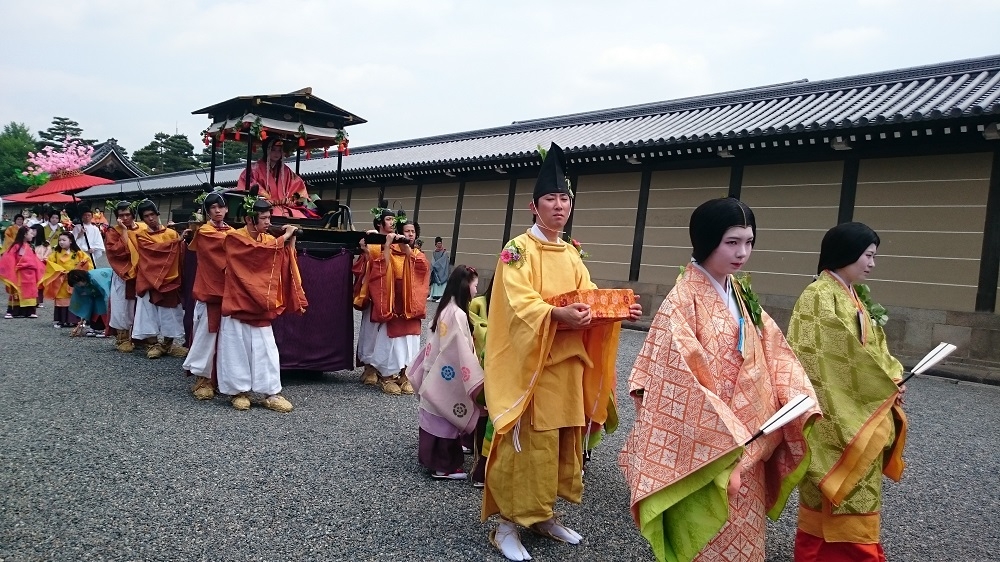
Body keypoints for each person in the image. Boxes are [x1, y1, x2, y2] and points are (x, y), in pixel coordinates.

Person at [619, 197, 820, 562]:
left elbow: (775, 352)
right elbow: (675, 383)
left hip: (754, 441)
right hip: (709, 447)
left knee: (745, 537)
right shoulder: (682, 300)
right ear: (707, 239)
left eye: (749, 242)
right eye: (732, 242)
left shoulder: (741, 294)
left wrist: (797, 397)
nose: (742, 253)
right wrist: (728, 446)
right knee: (710, 540)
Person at [481, 143, 641, 562]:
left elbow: (588, 298)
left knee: (562, 444)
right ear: (533, 206)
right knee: (528, 446)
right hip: (535, 367)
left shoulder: (571, 252)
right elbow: (517, 303)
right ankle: (507, 525)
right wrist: (557, 314)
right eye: (550, 198)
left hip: (568, 366)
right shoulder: (518, 251)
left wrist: (616, 311)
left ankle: (544, 514)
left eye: (565, 198)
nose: (558, 205)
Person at [787, 222, 907, 562]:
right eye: (868, 255)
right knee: (840, 490)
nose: (872, 263)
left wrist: (893, 378)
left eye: (874, 256)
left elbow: (871, 351)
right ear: (846, 253)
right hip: (836, 415)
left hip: (862, 407)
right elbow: (823, 361)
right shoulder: (818, 297)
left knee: (857, 491)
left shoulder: (849, 294)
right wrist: (881, 387)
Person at [217, 198, 306, 412]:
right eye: (264, 218)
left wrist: (289, 242)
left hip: (260, 304)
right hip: (239, 299)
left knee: (266, 349)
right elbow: (255, 254)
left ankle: (271, 392)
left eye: (269, 217)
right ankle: (238, 391)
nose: (268, 222)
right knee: (235, 348)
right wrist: (283, 237)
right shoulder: (234, 237)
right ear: (249, 218)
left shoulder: (268, 238)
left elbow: (278, 258)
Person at [410, 265, 484, 480]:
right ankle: (444, 466)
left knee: (434, 416)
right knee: (447, 416)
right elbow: (460, 348)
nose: (476, 291)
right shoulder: (458, 313)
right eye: (475, 286)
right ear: (465, 286)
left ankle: (433, 460)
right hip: (447, 371)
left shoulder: (445, 308)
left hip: (435, 369)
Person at [356, 211, 430, 395]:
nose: (410, 235)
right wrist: (384, 247)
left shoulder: (417, 254)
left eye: (413, 231)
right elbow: (380, 268)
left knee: (410, 340)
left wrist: (406, 249)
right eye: (407, 231)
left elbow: (421, 269)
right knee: (385, 338)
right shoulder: (382, 247)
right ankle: (383, 373)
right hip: (388, 299)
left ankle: (406, 375)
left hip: (409, 303)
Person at [182, 191, 232, 401]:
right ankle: (202, 379)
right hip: (209, 288)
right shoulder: (205, 232)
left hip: (228, 292)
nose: (217, 210)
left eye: (220, 207)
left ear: (227, 209)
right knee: (205, 335)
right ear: (207, 211)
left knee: (228, 338)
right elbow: (220, 255)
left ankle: (221, 379)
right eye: (212, 208)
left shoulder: (233, 232)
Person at [132, 200, 188, 359]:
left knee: (170, 312)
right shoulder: (141, 236)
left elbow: (181, 255)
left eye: (152, 215)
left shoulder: (171, 233)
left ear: (158, 214)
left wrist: (181, 242)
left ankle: (167, 345)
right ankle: (153, 344)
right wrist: (176, 243)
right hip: (149, 279)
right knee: (148, 313)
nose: (150, 218)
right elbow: (151, 253)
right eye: (146, 216)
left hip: (170, 279)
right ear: (143, 219)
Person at [104, 201, 147, 352]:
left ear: (133, 215)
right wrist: (123, 231)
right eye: (121, 215)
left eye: (128, 214)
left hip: (142, 273)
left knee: (142, 305)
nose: (125, 218)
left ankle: (141, 336)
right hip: (123, 273)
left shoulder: (143, 228)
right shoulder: (113, 231)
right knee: (121, 304)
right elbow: (116, 252)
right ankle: (122, 337)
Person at [236, 138, 310, 218]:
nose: (277, 153)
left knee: (302, 218)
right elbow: (248, 187)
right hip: (263, 208)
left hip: (285, 207)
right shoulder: (254, 170)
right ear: (266, 150)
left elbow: (298, 186)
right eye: (273, 150)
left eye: (279, 150)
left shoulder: (286, 170)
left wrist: (292, 200)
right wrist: (265, 200)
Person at [40, 232, 92, 327]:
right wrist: (59, 271)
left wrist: (83, 265)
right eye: (60, 240)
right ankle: (62, 320)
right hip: (61, 280)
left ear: (71, 241)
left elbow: (87, 262)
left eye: (64, 240)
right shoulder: (56, 254)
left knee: (74, 299)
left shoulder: (78, 253)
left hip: (74, 280)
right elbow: (50, 264)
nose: (61, 242)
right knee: (62, 300)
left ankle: (76, 320)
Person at [0, 226, 46, 319]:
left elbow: (34, 259)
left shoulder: (30, 246)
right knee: (17, 291)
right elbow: (8, 259)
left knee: (31, 291)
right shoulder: (16, 246)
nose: (32, 235)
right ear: (25, 234)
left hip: (31, 274)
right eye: (30, 233)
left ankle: (30, 311)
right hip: (19, 273)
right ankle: (12, 311)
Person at [67, 268, 113, 337]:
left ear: (81, 279)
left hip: (107, 289)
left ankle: (108, 329)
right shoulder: (84, 281)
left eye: (76, 283)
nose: (77, 285)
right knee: (95, 308)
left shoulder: (95, 278)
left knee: (105, 307)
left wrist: (109, 306)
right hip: (97, 295)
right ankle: (95, 328)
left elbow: (106, 293)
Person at [429, 236, 450, 302]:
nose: (439, 245)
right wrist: (433, 265)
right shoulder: (434, 252)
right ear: (435, 244)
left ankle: (441, 297)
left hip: (442, 271)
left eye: (440, 243)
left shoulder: (444, 252)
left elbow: (443, 261)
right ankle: (432, 295)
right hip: (435, 270)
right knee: (434, 283)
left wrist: (436, 264)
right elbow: (433, 260)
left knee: (442, 283)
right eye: (438, 243)